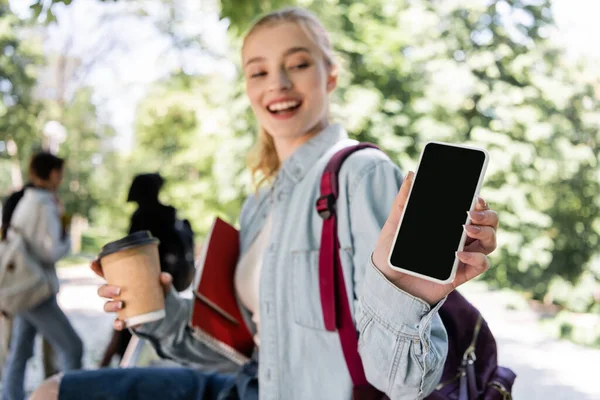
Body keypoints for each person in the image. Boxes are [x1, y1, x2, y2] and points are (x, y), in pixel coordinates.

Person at [32, 7, 499, 400]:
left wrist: (407, 297)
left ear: (330, 75)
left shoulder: (362, 173)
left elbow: (403, 382)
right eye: (258, 71)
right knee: (53, 392)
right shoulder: (259, 203)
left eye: (297, 64)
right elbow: (234, 351)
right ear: (249, 88)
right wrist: (155, 309)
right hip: (255, 386)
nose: (277, 82)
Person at [2, 152, 83, 400]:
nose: (61, 178)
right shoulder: (44, 204)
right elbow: (51, 252)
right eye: (59, 172)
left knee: (20, 351)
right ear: (52, 173)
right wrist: (67, 235)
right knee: (73, 347)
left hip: (22, 286)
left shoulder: (26, 199)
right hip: (35, 290)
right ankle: (72, 395)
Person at [98, 172, 195, 367]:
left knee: (126, 331)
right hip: (170, 284)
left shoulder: (142, 217)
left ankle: (113, 369)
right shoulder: (170, 215)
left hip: (141, 288)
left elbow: (130, 255)